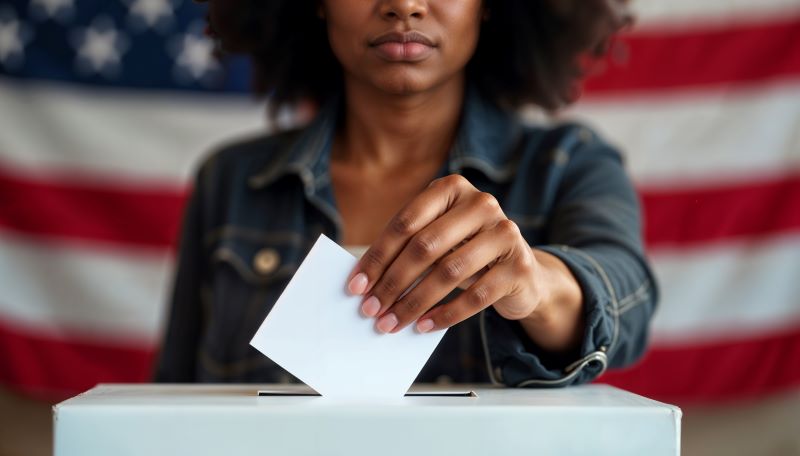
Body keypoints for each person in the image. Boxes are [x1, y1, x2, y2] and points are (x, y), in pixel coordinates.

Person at [156, 0, 657, 387]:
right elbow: (169, 400)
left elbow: (627, 298)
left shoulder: (569, 163)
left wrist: (538, 286)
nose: (404, 4)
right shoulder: (232, 179)